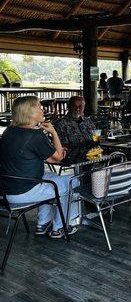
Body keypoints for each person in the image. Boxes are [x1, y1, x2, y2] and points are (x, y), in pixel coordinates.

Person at [0, 96, 79, 238]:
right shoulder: (35, 135)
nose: (43, 109)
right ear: (29, 112)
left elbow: (47, 157)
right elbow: (58, 158)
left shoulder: (8, 132)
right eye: (38, 107)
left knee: (54, 178)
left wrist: (53, 152)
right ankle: (61, 227)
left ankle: (43, 223)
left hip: (6, 191)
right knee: (73, 181)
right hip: (24, 191)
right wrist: (53, 132)